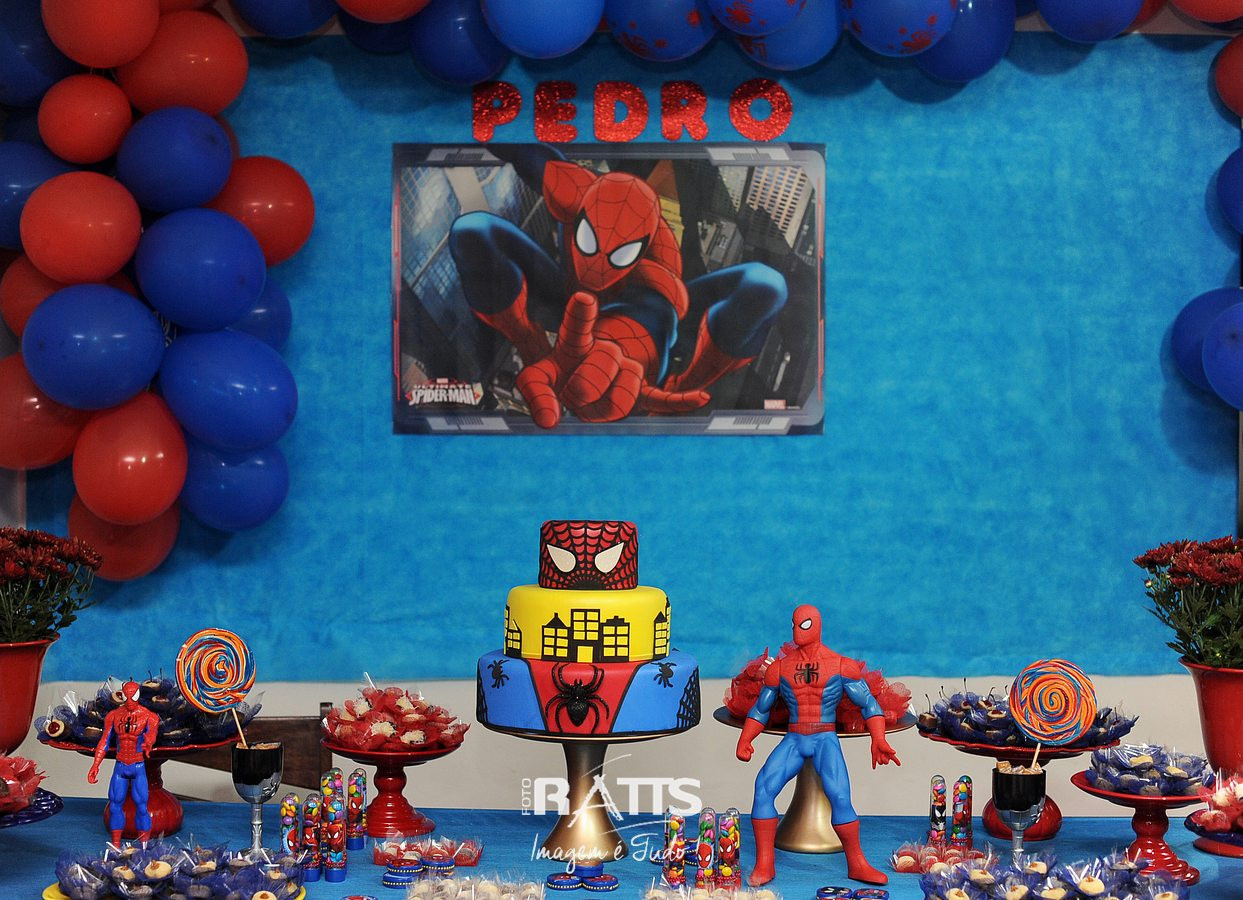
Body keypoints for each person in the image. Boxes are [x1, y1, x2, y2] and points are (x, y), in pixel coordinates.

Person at [736, 605, 900, 885]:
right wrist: (745, 738)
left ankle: (857, 864)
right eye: (794, 624)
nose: (797, 630)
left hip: (825, 737)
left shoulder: (840, 665)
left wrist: (879, 738)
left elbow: (869, 704)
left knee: (840, 796)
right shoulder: (779, 669)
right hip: (795, 736)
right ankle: (765, 864)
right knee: (763, 789)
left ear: (818, 625)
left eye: (804, 624)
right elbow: (761, 709)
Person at [88, 680, 159, 845]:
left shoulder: (149, 716)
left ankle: (144, 847)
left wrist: (149, 741)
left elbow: (152, 734)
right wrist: (96, 764)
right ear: (122, 695)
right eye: (127, 696)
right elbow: (104, 741)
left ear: (138, 695)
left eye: (133, 696)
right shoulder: (113, 716)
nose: (130, 700)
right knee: (115, 805)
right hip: (120, 765)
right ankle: (116, 845)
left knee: (142, 806)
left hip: (138, 765)